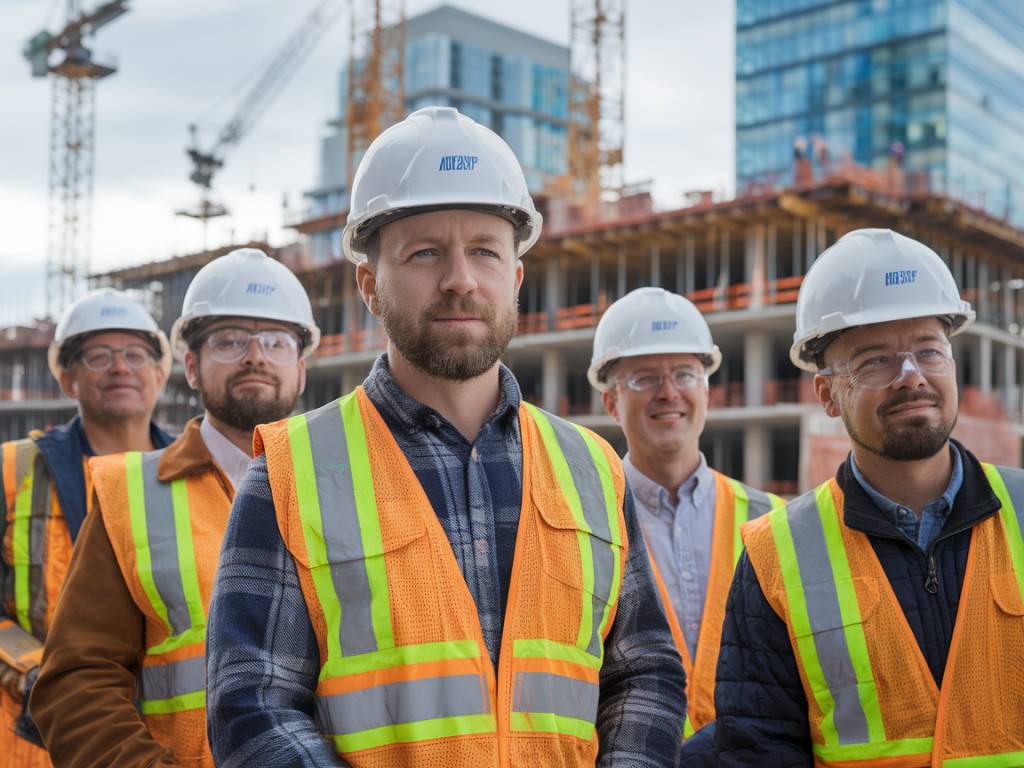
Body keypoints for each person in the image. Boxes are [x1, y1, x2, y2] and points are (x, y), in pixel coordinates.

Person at [206, 106, 686, 767]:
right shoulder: (291, 472)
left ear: (514, 278)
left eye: (485, 251)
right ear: (370, 285)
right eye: (426, 252)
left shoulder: (592, 469)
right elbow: (252, 705)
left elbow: (645, 672)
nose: (460, 278)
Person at [713, 228, 1024, 766]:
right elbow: (758, 750)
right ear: (828, 395)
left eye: (929, 351)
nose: (911, 377)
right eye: (876, 360)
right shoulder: (776, 557)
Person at [30, 248, 319, 768]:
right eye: (229, 341)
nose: (254, 356)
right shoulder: (130, 496)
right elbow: (77, 682)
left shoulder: (343, 484)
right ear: (190, 365)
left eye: (276, 341)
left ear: (300, 369)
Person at [588, 286, 783, 745]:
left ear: (707, 391)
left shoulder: (771, 522)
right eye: (644, 378)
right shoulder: (586, 522)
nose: (669, 392)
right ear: (611, 402)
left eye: (685, 374)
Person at [0, 289, 172, 766]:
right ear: (66, 378)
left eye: (135, 354)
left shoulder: (191, 475)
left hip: (155, 742)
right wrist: (39, 673)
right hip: (30, 740)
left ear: (160, 373)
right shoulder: (11, 470)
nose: (120, 367)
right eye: (98, 356)